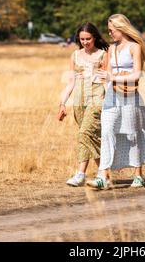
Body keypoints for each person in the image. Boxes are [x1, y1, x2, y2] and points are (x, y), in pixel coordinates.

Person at [86, 14, 145, 190]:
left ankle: (138, 175)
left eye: (112, 30)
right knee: (107, 132)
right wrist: (100, 78)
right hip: (112, 96)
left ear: (121, 29)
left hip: (130, 95)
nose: (110, 33)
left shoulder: (134, 47)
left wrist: (112, 77)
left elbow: (137, 74)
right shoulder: (110, 50)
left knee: (132, 133)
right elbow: (107, 74)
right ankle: (102, 176)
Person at [57, 22, 109, 186]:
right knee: (89, 138)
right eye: (82, 39)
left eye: (88, 38)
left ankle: (81, 174)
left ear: (95, 37)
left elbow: (106, 80)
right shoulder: (75, 55)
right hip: (79, 101)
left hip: (97, 98)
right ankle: (103, 175)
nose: (85, 42)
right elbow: (71, 82)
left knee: (84, 134)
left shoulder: (103, 54)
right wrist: (62, 103)